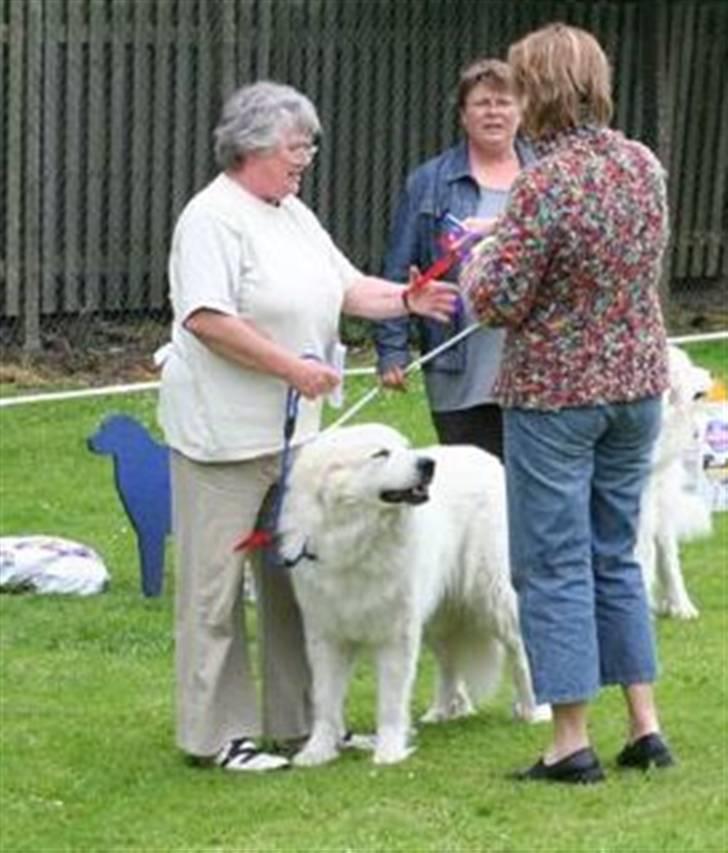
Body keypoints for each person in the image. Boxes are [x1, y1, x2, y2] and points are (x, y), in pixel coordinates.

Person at [157, 81, 456, 772]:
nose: (307, 158)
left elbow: (346, 285)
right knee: (214, 588)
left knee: (297, 576)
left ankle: (301, 723)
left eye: (309, 146)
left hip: (296, 440)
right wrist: (291, 367)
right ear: (255, 145)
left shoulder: (290, 211)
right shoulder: (211, 217)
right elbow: (205, 317)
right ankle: (218, 734)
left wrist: (405, 300)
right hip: (221, 439)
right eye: (298, 146)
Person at [459, 23, 674, 783]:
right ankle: (645, 725)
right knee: (615, 552)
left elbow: (498, 299)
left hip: (557, 395)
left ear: (539, 89)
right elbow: (622, 259)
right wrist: (513, 229)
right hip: (637, 384)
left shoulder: (544, 181)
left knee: (552, 563)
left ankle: (570, 741)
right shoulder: (641, 163)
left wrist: (483, 253)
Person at [374, 59, 535, 459]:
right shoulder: (429, 181)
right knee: (472, 493)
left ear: (522, 111)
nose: (494, 112)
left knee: (531, 495)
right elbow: (399, 270)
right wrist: (392, 350)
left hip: (536, 363)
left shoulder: (547, 175)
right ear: (463, 115)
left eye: (504, 102)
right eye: (482, 103)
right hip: (457, 363)